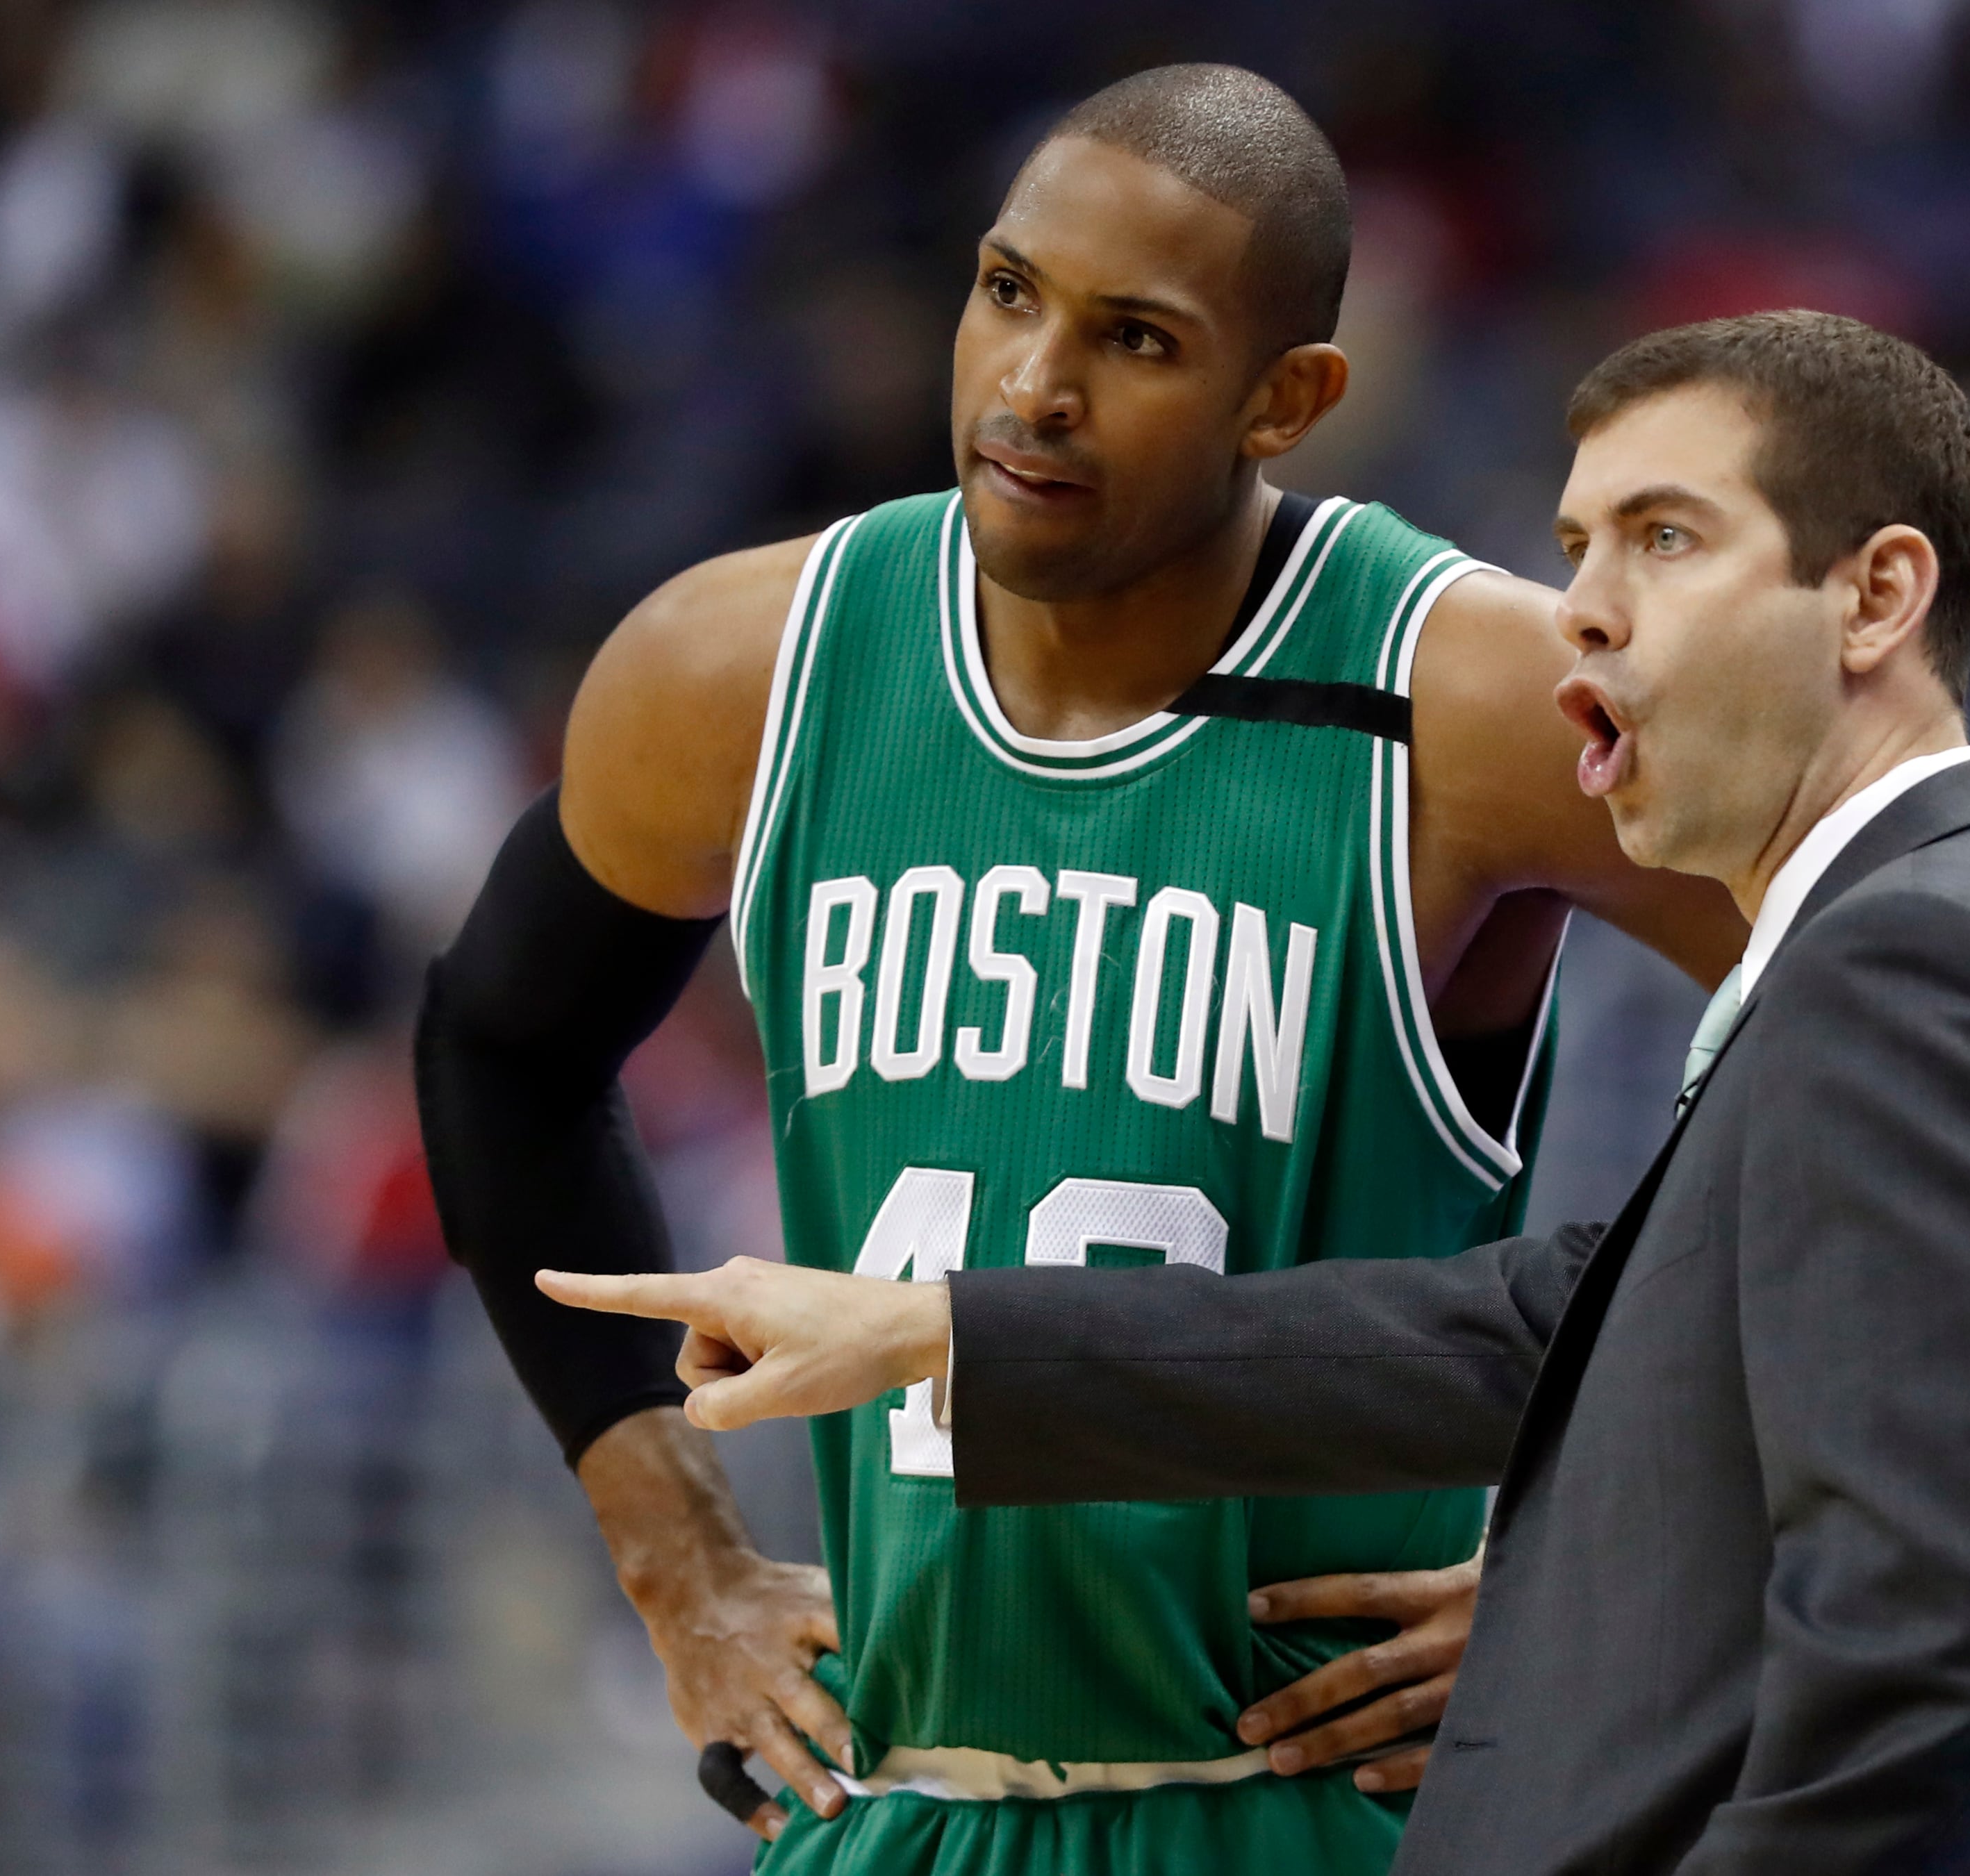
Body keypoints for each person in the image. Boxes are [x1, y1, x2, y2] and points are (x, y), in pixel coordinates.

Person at [544, 310, 1970, 1875]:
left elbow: (1912, 1661)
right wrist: (948, 1337)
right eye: (1577, 543)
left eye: (1666, 538)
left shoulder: (1915, 974)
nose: (1583, 603)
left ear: (1876, 596)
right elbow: (1551, 1328)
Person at [417, 64, 1740, 1873]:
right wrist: (680, 1550)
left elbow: (1906, 1060)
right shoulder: (745, 666)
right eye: (1008, 292)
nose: (1035, 386)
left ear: (1290, 398)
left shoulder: (1474, 693)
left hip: (1313, 1810)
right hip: (903, 1801)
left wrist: (1623, 1555)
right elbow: (497, 1050)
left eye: (1134, 338)